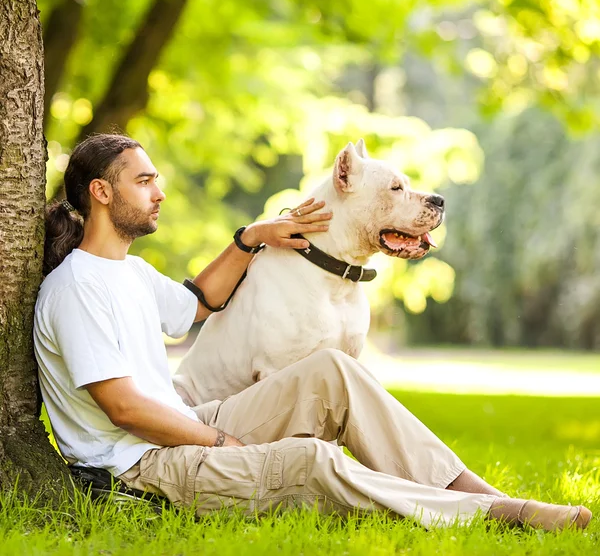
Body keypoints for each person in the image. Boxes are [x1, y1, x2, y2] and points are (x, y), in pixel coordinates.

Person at [34, 133, 591, 531]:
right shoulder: (77, 287)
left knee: (333, 373)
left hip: (180, 428)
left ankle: (481, 493)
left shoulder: (127, 271)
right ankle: (495, 519)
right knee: (312, 461)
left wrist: (254, 235)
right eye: (144, 181)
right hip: (139, 467)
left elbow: (196, 306)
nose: (160, 192)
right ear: (102, 194)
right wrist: (221, 442)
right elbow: (125, 410)